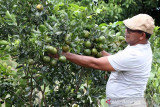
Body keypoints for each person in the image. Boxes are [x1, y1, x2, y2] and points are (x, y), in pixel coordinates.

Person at [60, 14, 155, 107]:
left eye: (130, 30)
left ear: (142, 35)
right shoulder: (141, 46)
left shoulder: (135, 54)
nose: (126, 31)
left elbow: (94, 64)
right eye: (126, 28)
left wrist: (65, 55)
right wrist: (99, 50)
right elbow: (115, 61)